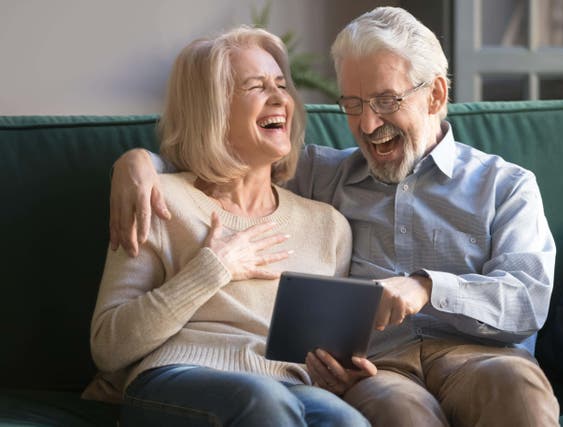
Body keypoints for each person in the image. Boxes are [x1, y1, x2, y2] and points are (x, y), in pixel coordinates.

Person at [109, 7, 560, 427]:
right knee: (397, 412)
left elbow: (527, 301)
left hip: (479, 357)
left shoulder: (505, 185)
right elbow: (223, 154)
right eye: (353, 104)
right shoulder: (322, 177)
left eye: (385, 101)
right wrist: (137, 163)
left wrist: (426, 287)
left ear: (436, 94)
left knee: (516, 387)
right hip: (379, 370)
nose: (366, 125)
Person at [85, 26, 372, 427]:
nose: (280, 99)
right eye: (256, 87)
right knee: (264, 400)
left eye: (281, 84)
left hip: (287, 389)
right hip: (176, 377)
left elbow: (319, 356)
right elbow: (109, 347)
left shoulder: (328, 226)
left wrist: (336, 375)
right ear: (212, 109)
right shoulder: (158, 199)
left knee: (349, 422)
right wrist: (214, 268)